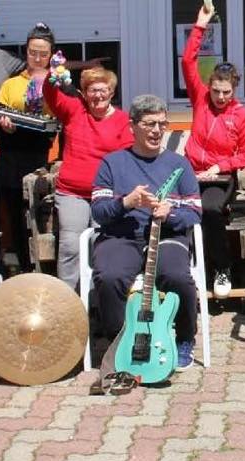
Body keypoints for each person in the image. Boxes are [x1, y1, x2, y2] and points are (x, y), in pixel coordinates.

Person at [90, 95, 202, 370]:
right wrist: (125, 202)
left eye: (162, 124)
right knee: (110, 276)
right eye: (149, 124)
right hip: (122, 236)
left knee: (177, 276)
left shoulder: (179, 164)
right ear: (132, 126)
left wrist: (171, 214)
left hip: (166, 235)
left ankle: (184, 337)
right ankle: (119, 339)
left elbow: (195, 211)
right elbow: (99, 210)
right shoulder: (113, 163)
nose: (156, 131)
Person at [182, 4, 245, 298]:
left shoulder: (241, 115)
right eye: (216, 91)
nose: (221, 97)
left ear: (234, 90)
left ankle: (221, 269)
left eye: (227, 92)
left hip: (219, 178)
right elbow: (188, 61)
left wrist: (220, 166)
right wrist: (200, 25)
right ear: (209, 87)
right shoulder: (200, 100)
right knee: (176, 208)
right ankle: (182, 267)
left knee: (210, 210)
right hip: (190, 171)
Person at [44, 66, 134, 291]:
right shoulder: (75, 110)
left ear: (112, 92)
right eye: (92, 90)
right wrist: (52, 75)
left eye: (103, 90)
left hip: (105, 194)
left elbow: (127, 159)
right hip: (72, 193)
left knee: (100, 245)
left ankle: (97, 300)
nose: (98, 95)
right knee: (70, 246)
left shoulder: (122, 120)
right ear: (84, 93)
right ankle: (67, 301)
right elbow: (50, 94)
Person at [0, 23, 59, 275]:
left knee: (39, 213)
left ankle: (43, 268)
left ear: (51, 54)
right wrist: (3, 123)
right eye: (32, 52)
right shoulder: (11, 84)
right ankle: (19, 265)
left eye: (43, 53)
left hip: (38, 152)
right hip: (10, 152)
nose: (37, 58)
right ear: (26, 51)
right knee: (14, 214)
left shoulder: (56, 82)